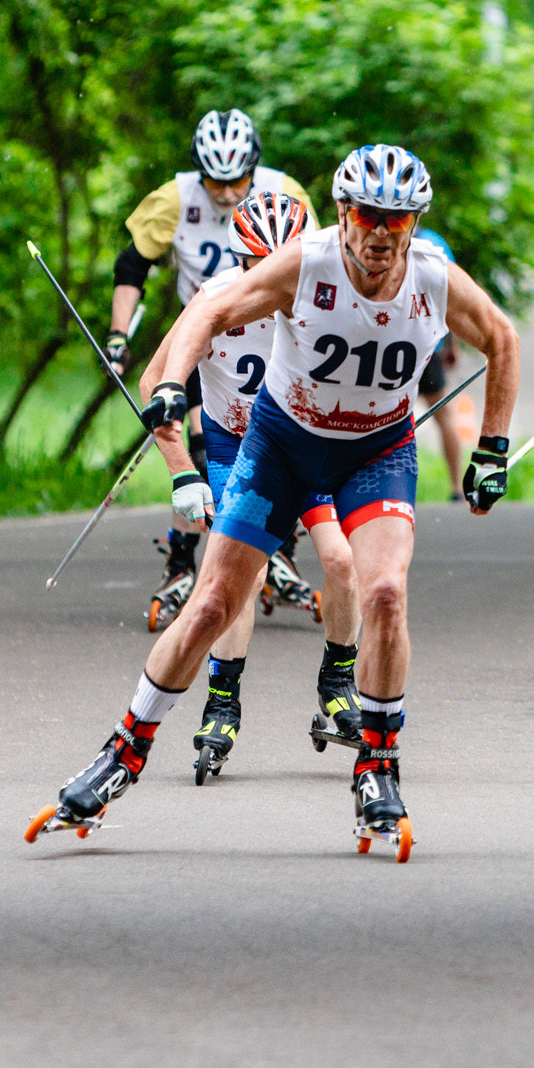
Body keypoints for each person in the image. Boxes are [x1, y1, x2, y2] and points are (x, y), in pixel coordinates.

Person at [29, 144, 523, 860]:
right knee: (210, 605)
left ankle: (378, 768)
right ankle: (120, 755)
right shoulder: (308, 261)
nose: (379, 234)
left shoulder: (433, 277)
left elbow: (502, 339)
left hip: (376, 451)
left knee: (384, 590)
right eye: (366, 215)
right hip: (283, 444)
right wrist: (172, 383)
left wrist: (493, 449)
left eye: (397, 219)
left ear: (415, 221)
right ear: (343, 211)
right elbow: (212, 307)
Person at [146, 191, 363, 783]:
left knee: (343, 562)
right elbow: (155, 384)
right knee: (248, 575)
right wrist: (181, 473)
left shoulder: (325, 297)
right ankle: (222, 702)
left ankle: (338, 682)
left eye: (285, 263)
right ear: (240, 259)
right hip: (236, 450)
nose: (271, 279)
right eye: (257, 264)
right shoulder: (213, 300)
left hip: (306, 442)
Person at [104, 109, 316, 621]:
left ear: (256, 167)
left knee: (283, 446)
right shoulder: (175, 197)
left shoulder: (283, 189)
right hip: (205, 333)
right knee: (205, 445)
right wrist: (118, 332)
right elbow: (133, 265)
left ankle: (276, 549)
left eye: (237, 180)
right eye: (216, 181)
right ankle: (181, 561)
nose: (225, 194)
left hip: (275, 334)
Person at [411, 225, 470, 496]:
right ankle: (456, 486)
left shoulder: (376, 235)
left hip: (397, 347)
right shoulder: (434, 242)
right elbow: (451, 297)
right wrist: (451, 343)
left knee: (385, 417)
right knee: (444, 415)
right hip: (427, 345)